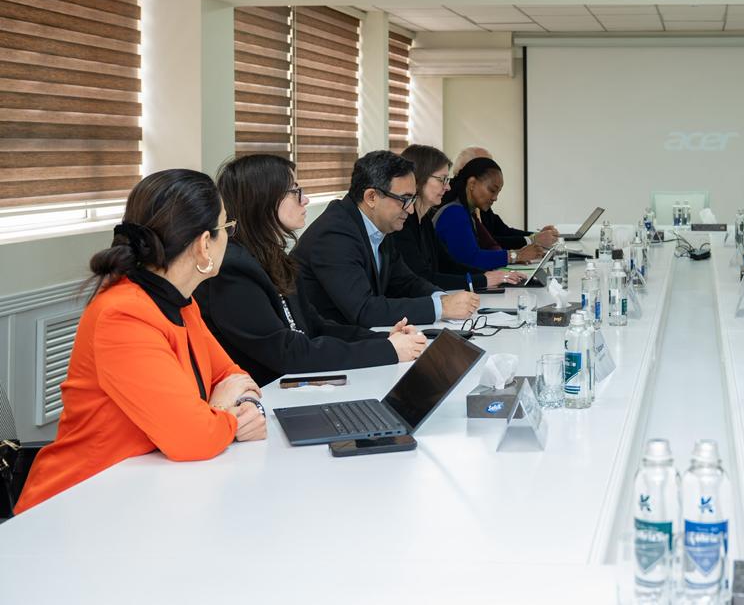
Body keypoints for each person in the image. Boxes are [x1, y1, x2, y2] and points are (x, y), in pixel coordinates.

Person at [16, 170, 266, 513]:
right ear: (203, 244)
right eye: (227, 228)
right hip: (77, 504)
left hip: (146, 490)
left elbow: (234, 377)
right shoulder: (123, 315)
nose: (229, 237)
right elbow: (192, 437)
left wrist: (245, 405)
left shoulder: (182, 302)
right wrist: (223, 412)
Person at [196, 154, 427, 387]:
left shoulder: (273, 256)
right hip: (264, 397)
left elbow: (315, 326)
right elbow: (288, 353)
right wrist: (386, 350)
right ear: (264, 198)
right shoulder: (233, 270)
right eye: (295, 192)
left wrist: (385, 338)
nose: (305, 200)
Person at [292, 151, 479, 330]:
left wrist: (442, 298)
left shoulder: (380, 225)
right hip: (326, 343)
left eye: (413, 199)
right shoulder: (334, 234)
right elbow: (364, 310)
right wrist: (441, 308)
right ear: (371, 197)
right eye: (404, 199)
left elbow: (405, 282)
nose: (411, 210)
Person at [395, 145, 525, 290]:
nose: (448, 187)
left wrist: (489, 276)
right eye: (442, 180)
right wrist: (483, 280)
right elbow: (423, 278)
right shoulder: (402, 225)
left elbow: (447, 264)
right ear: (418, 178)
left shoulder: (424, 220)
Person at [433, 156, 545, 271]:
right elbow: (471, 259)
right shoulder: (454, 213)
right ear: (472, 183)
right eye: (492, 190)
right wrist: (516, 256)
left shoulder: (468, 213)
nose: (495, 198)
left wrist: (516, 256)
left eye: (498, 192)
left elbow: (490, 246)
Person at [454, 145, 558, 250]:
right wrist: (531, 241)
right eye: (485, 169)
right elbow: (483, 245)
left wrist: (538, 235)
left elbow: (504, 232)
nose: (495, 198)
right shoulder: (455, 209)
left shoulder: (480, 204)